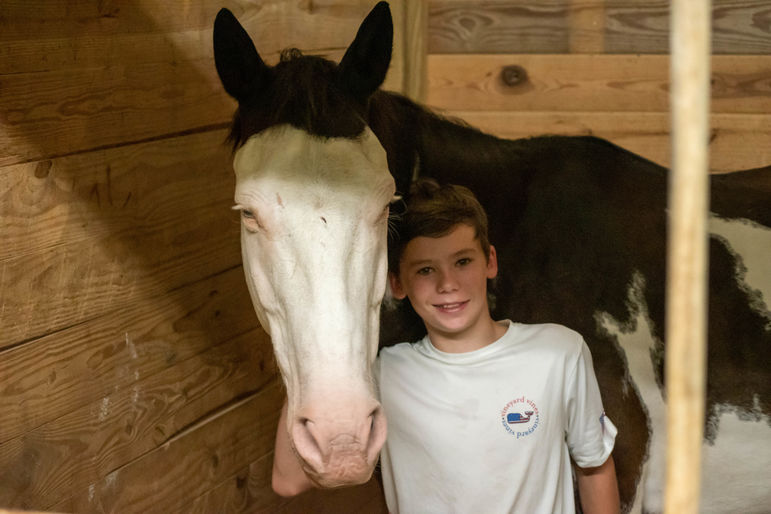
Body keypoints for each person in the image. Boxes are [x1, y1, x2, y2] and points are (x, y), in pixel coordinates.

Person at [273, 178, 620, 513]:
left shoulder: (559, 353)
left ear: (490, 262)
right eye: (425, 270)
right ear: (396, 283)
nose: (448, 284)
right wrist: (315, 336)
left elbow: (593, 466)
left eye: (463, 261)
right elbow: (288, 481)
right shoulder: (382, 376)